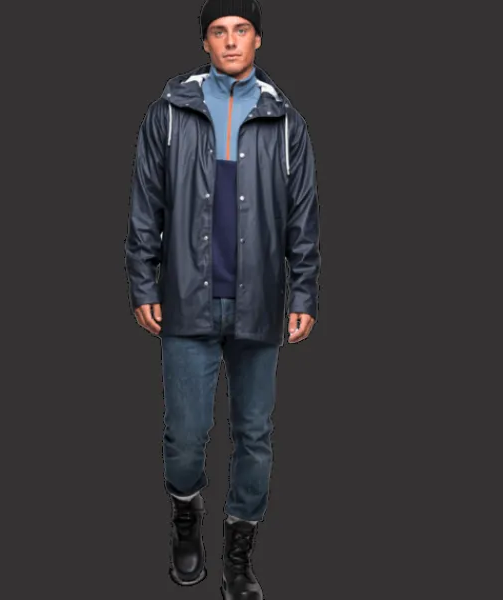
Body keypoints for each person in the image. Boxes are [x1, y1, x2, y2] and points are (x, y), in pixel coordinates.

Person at [124, 0, 320, 597]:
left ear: (258, 39)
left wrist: (303, 290)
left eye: (241, 30)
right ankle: (186, 518)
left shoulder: (284, 121)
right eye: (218, 31)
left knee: (254, 434)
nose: (230, 40)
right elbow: (146, 203)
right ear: (205, 42)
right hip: (187, 301)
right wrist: (142, 281)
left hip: (259, 304)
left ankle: (240, 552)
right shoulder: (169, 112)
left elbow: (303, 216)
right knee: (185, 435)